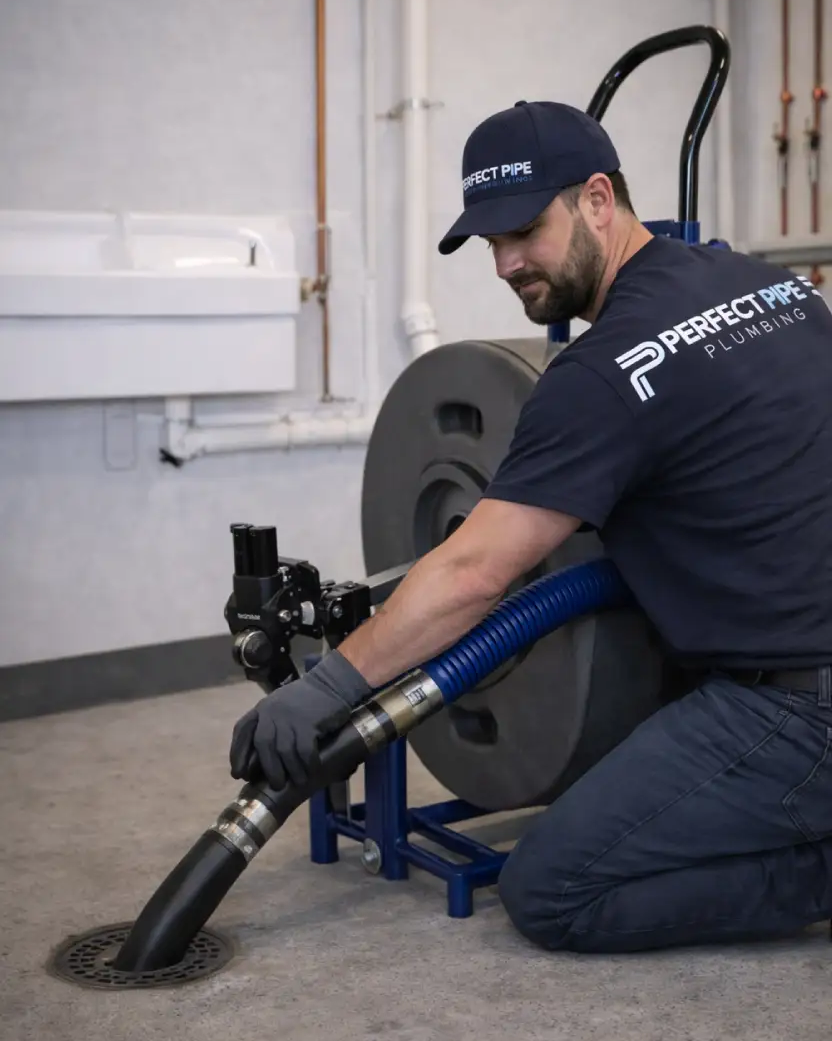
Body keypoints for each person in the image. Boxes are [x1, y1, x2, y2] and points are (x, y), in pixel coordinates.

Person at [229, 100, 832, 953]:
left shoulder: (599, 375)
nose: (508, 263)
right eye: (490, 244)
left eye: (524, 231)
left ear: (597, 199)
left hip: (802, 711)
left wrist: (329, 687)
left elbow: (476, 570)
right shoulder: (770, 287)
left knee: (551, 888)